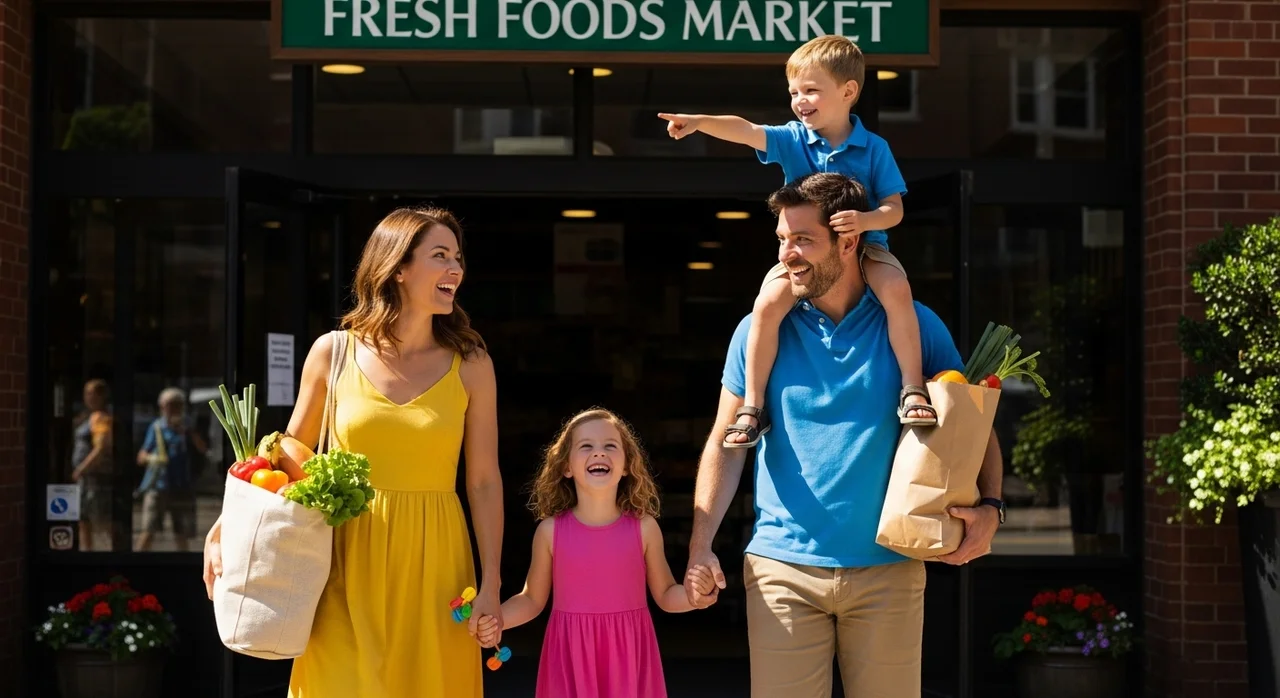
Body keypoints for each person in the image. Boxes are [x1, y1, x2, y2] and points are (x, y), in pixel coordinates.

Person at [684, 173, 1006, 698]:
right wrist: (701, 546)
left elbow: (970, 422)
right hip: (781, 571)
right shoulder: (758, 330)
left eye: (804, 240)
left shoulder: (915, 325)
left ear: (849, 239)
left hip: (891, 569)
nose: (788, 255)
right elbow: (726, 438)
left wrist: (991, 505)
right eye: (783, 240)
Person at [202, 207, 505, 698]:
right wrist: (226, 526)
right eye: (440, 256)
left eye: (457, 257)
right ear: (398, 268)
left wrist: (491, 581)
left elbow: (484, 481)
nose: (456, 268)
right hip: (343, 558)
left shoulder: (471, 364)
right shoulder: (333, 351)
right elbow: (286, 458)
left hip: (437, 564)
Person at [658, 34, 935, 451]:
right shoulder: (792, 138)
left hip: (866, 248)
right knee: (766, 306)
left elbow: (894, 209)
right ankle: (752, 407)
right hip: (805, 252)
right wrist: (700, 122)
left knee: (896, 289)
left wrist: (864, 221)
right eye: (794, 92)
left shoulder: (875, 148)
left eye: (810, 90)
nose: (800, 101)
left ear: (848, 92)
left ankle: (913, 388)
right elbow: (746, 129)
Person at [472, 408, 716, 698]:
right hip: (570, 658)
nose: (599, 453)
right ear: (566, 467)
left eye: (610, 446)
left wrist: (695, 597)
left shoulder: (645, 529)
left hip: (628, 658)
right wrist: (497, 619)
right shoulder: (550, 532)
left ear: (627, 465)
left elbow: (665, 594)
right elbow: (532, 599)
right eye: (586, 446)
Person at [135, 387, 208, 551]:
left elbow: (202, 449)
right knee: (149, 528)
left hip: (182, 485)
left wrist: (188, 432)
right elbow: (141, 456)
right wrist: (156, 458)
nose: (173, 409)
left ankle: (184, 564)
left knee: (181, 531)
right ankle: (138, 562)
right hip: (159, 485)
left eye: (177, 405)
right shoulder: (157, 428)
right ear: (162, 407)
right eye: (169, 405)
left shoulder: (189, 427)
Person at [71, 378, 112, 551]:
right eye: (86, 393)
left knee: (100, 520)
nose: (88, 397)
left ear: (101, 396)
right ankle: (86, 552)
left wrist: (82, 468)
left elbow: (101, 447)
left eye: (92, 393)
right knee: (83, 520)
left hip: (95, 479)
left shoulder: (101, 418)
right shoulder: (87, 417)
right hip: (85, 480)